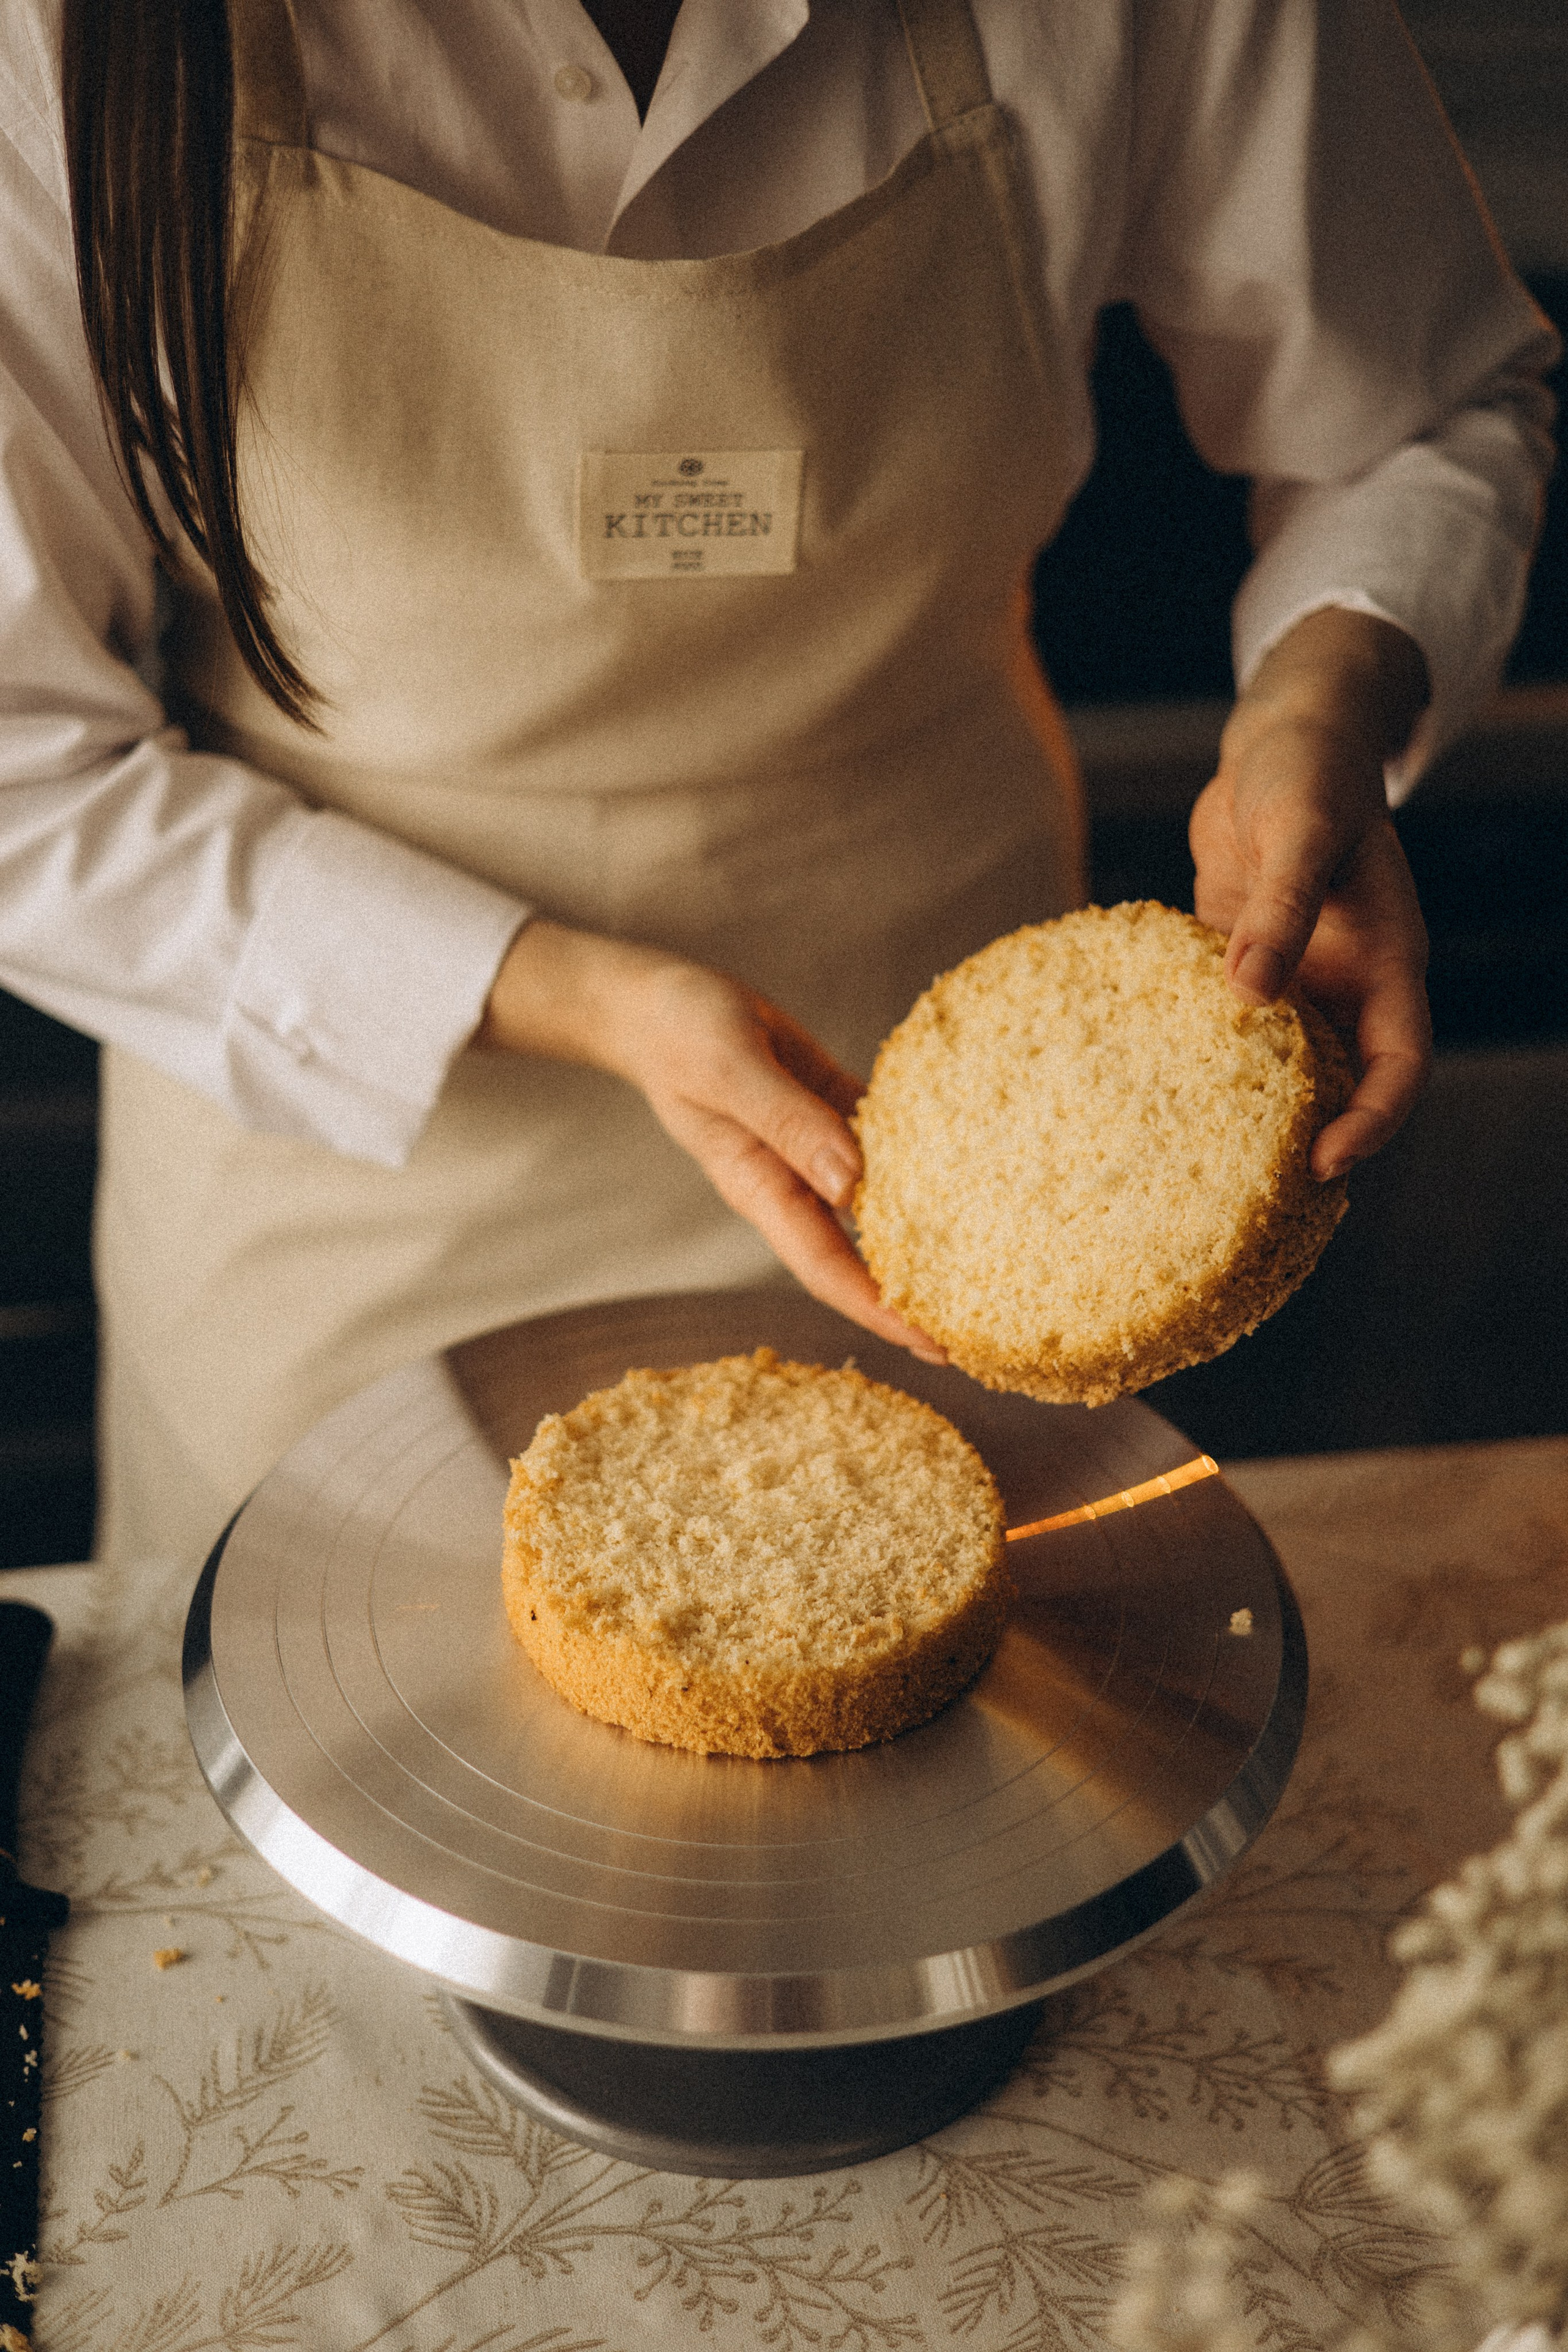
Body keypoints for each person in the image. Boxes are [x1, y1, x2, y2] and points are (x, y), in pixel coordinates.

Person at [0, 0, 1555, 1563]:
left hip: (990, 1163)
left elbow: (1414, 412)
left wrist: (1321, 706)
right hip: (332, 1173)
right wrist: (577, 993)